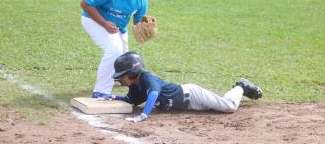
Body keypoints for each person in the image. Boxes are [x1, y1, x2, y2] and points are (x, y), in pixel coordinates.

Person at [110, 52, 263, 122]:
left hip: (193, 95)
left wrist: (144, 115)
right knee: (215, 109)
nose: (119, 80)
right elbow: (129, 101)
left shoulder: (148, 78)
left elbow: (153, 94)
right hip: (189, 106)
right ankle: (241, 88)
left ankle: (241, 86)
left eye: (122, 76)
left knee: (228, 106)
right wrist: (110, 97)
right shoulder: (136, 86)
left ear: (132, 72)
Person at [80, 0, 156, 98]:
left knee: (126, 58)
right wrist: (103, 23)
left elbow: (137, 21)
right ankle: (101, 91)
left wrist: (144, 27)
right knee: (114, 50)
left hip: (119, 27)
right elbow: (85, 4)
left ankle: (121, 78)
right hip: (93, 20)